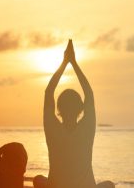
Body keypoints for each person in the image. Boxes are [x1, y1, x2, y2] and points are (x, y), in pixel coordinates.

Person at [33, 40, 115, 188]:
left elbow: (48, 92)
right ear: (80, 109)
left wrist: (65, 63)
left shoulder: (53, 129)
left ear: (59, 109)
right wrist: (73, 63)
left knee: (38, 179)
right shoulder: (86, 129)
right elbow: (89, 95)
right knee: (110, 185)